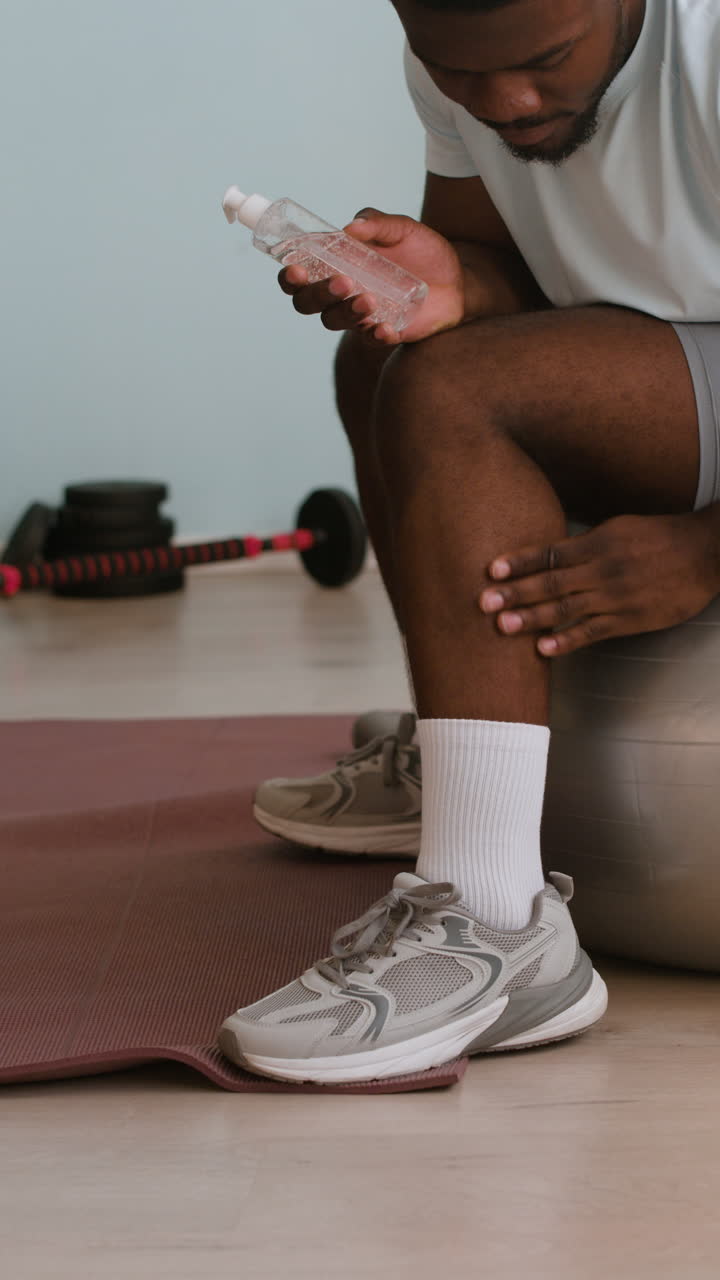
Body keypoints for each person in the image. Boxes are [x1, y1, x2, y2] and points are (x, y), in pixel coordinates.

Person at [218, 0, 720, 1084]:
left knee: (455, 394)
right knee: (390, 354)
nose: (503, 105)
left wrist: (708, 549)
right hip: (672, 341)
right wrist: (450, 280)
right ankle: (452, 766)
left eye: (543, 64)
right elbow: (504, 267)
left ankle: (496, 925)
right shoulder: (465, 51)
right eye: (462, 76)